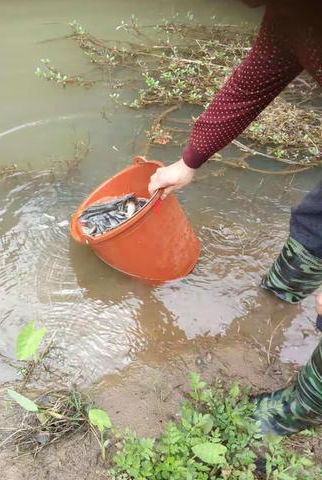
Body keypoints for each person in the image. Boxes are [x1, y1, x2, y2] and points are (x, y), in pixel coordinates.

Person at [148, 0, 322, 436]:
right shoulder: (291, 12)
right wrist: (189, 161)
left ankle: (297, 412)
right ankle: (275, 303)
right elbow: (251, 82)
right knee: (313, 226)